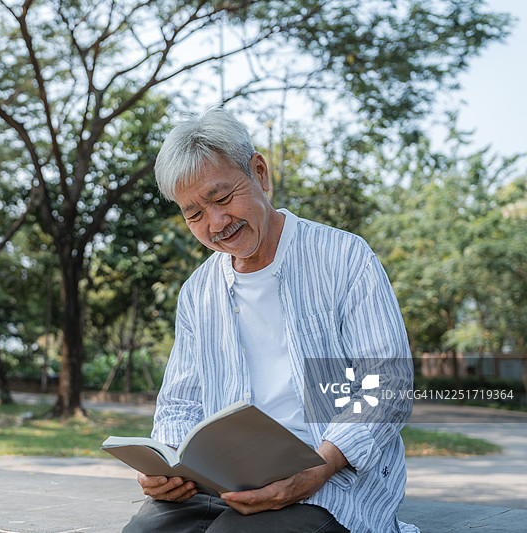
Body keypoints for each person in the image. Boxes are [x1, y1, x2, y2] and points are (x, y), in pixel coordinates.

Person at [122, 108, 418, 533]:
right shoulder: (198, 291)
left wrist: (320, 466)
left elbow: (386, 384)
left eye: (223, 199)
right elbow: (181, 403)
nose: (216, 224)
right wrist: (166, 464)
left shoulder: (343, 257)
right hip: (222, 481)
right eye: (194, 214)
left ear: (260, 173)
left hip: (330, 479)